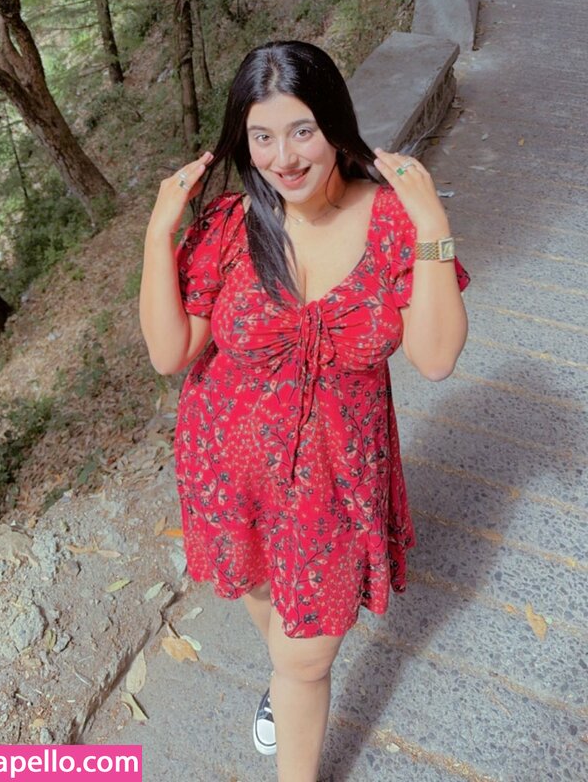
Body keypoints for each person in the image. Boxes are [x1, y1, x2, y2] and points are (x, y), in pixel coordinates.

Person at [139, 41, 469, 782]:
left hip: (334, 485)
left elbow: (436, 357)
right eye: (262, 137)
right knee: (273, 616)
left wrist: (432, 225)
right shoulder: (231, 225)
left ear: (335, 126)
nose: (283, 158)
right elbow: (171, 351)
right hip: (229, 473)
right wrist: (160, 233)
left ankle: (293, 719)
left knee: (306, 658)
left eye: (301, 131)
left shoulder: (391, 221)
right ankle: (283, 683)